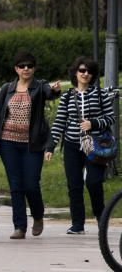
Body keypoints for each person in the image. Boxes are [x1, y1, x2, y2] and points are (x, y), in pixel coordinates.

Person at [0, 50, 61, 240]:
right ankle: (19, 226)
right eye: (22, 66)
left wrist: (55, 90)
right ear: (16, 69)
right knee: (15, 185)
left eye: (29, 66)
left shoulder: (40, 86)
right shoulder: (6, 89)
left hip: (32, 144)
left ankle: (37, 215)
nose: (26, 69)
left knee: (31, 185)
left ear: (34, 68)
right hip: (8, 142)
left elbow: (49, 93)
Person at [45, 56, 116, 235]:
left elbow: (111, 118)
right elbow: (59, 122)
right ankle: (78, 224)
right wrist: (50, 146)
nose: (85, 74)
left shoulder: (100, 95)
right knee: (74, 185)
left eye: (89, 71)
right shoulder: (68, 96)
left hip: (96, 147)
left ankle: (101, 218)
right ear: (75, 73)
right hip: (72, 145)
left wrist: (93, 123)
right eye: (82, 70)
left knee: (94, 182)